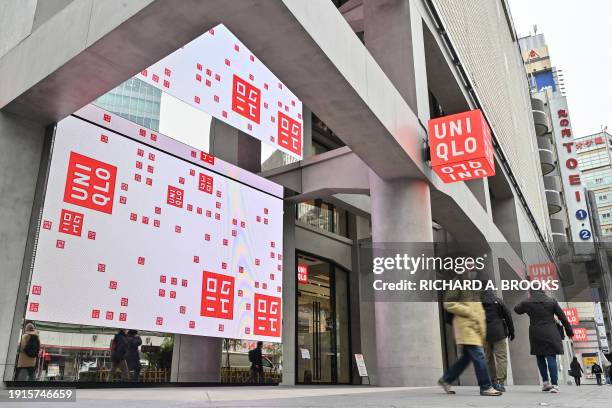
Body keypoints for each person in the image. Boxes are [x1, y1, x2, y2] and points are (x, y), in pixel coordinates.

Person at [438, 279, 501, 396]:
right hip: (465, 327)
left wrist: (482, 332)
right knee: (479, 355)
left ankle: (446, 379)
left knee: (465, 359)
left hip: (474, 330)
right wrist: (468, 311)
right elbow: (449, 303)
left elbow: (480, 315)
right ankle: (486, 386)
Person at [514, 289, 573, 393]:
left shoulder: (527, 302)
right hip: (550, 331)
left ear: (531, 292)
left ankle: (546, 383)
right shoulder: (551, 301)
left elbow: (517, 310)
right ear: (543, 291)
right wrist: (569, 332)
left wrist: (527, 301)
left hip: (536, 332)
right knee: (551, 357)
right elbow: (562, 317)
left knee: (540, 356)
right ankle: (554, 385)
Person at [481, 290, 515, 392]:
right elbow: (508, 315)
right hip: (498, 332)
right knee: (501, 357)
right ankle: (500, 383)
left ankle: (493, 381)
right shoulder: (498, 301)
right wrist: (511, 331)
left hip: (485, 333)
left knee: (488, 358)